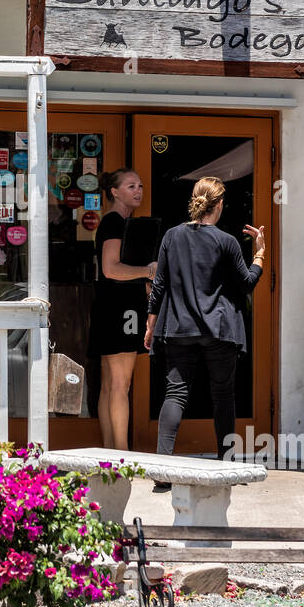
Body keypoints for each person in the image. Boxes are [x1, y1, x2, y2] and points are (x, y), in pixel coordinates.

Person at [143, 176, 265, 484]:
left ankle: (162, 470)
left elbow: (159, 285)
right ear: (220, 204)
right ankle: (226, 466)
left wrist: (151, 323)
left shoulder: (172, 236)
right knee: (223, 395)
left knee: (175, 393)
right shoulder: (227, 242)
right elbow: (247, 283)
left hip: (178, 327)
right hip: (219, 330)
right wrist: (260, 254)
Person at [89, 168, 156, 450]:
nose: (138, 191)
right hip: (120, 308)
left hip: (112, 305)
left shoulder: (118, 222)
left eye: (140, 185)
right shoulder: (114, 222)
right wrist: (147, 271)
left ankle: (110, 450)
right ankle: (121, 453)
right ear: (114, 191)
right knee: (120, 385)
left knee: (110, 384)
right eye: (130, 186)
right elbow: (110, 267)